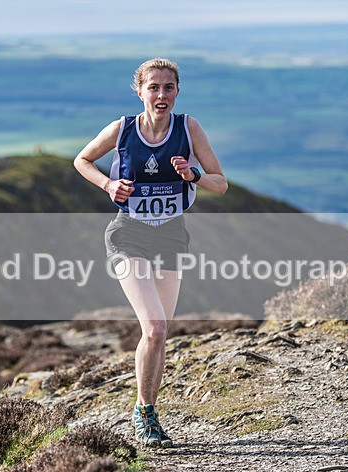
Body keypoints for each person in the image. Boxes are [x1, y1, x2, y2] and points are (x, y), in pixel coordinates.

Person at [74, 58, 228, 447]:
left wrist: (192, 175)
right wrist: (109, 185)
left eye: (169, 88)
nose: (161, 95)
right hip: (129, 234)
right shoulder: (123, 129)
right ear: (139, 91)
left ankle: (148, 409)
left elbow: (220, 183)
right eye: (154, 87)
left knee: (158, 335)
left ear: (177, 91)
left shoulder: (188, 128)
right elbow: (82, 160)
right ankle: (144, 414)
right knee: (155, 326)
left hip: (172, 235)